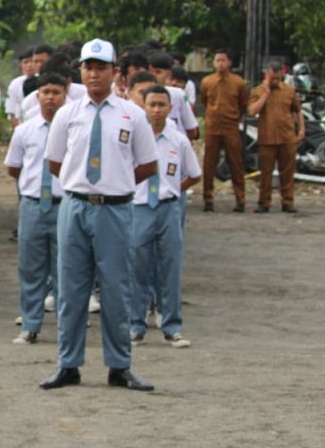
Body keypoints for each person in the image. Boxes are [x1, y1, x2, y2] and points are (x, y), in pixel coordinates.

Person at [41, 38, 158, 391]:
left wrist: (115, 184)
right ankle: (68, 364)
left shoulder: (132, 114)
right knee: (70, 289)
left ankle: (119, 365)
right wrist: (83, 187)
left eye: (101, 67)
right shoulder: (68, 113)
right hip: (75, 207)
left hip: (116, 210)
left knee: (116, 289)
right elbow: (55, 162)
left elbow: (148, 164)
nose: (94, 73)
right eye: (88, 67)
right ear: (80, 71)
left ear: (114, 72)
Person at [129, 84, 202, 348]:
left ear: (171, 108)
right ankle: (135, 325)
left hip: (168, 207)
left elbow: (194, 174)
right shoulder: (134, 137)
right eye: (152, 105)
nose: (157, 110)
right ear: (144, 107)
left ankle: (172, 327)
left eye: (162, 105)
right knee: (137, 267)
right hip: (138, 208)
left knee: (170, 267)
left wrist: (171, 191)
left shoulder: (178, 140)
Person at [5, 72, 68, 345]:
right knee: (30, 267)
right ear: (37, 96)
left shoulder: (72, 129)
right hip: (32, 204)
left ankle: (68, 324)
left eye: (56, 92)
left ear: (65, 95)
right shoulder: (24, 130)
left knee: (65, 267)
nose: (51, 98)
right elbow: (13, 167)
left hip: (64, 203)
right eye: (46, 93)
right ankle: (31, 324)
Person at [248, 60, 305, 213]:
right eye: (271, 78)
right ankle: (264, 203)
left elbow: (297, 110)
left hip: (287, 137)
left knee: (287, 172)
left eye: (277, 78)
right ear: (266, 75)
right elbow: (252, 111)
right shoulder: (257, 91)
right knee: (265, 173)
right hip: (267, 138)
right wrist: (265, 94)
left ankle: (288, 202)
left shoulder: (289, 90)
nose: (274, 81)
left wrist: (301, 129)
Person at [200, 48, 249, 212]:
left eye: (223, 60)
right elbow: (204, 101)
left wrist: (234, 117)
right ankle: (208, 199)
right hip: (212, 126)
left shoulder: (238, 82)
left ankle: (240, 199)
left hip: (231, 126)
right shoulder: (207, 81)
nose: (220, 63)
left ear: (229, 63)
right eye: (217, 60)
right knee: (209, 164)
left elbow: (243, 105)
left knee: (236, 162)